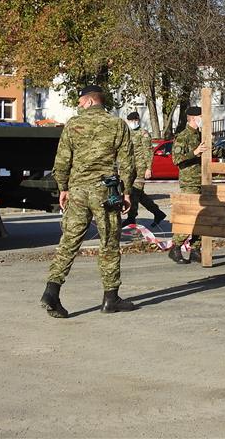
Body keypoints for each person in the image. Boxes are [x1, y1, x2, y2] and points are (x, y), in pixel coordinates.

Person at [40, 85, 137, 318]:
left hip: (78, 192)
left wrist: (63, 188)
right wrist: (127, 192)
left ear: (91, 101)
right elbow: (127, 163)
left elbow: (62, 160)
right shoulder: (117, 124)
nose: (78, 105)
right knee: (110, 243)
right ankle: (110, 298)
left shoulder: (73, 125)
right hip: (105, 193)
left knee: (69, 241)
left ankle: (52, 291)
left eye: (81, 101)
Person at [169, 107, 207, 264]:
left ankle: (195, 250)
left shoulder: (200, 135)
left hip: (202, 181)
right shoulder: (183, 137)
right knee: (190, 217)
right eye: (201, 117)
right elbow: (176, 159)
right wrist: (195, 152)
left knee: (202, 217)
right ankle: (175, 247)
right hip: (189, 182)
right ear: (193, 118)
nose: (203, 119)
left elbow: (213, 150)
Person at [122, 112, 167, 229]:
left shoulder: (144, 133)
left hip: (141, 168)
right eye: (130, 121)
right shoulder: (128, 133)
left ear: (138, 120)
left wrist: (149, 168)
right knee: (138, 194)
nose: (132, 122)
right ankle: (158, 213)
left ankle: (131, 218)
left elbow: (148, 152)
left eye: (134, 120)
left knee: (134, 193)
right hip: (130, 168)